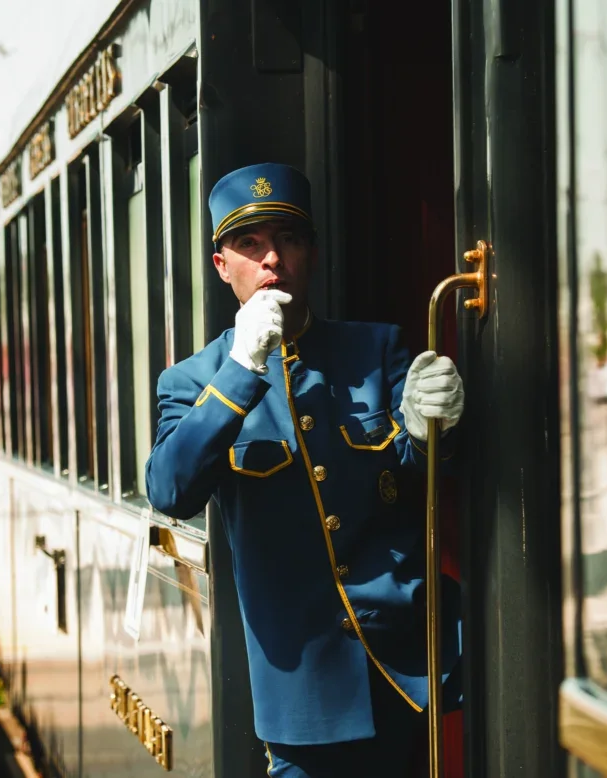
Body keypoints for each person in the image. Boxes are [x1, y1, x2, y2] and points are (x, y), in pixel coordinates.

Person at [145, 162, 464, 778]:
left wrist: (435, 429)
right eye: (250, 243)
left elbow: (418, 473)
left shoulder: (376, 350)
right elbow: (171, 490)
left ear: (310, 254)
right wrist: (241, 367)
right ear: (223, 266)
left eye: (288, 239)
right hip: (304, 696)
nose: (271, 260)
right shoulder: (193, 381)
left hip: (405, 671)